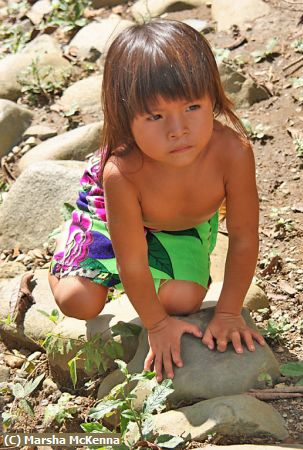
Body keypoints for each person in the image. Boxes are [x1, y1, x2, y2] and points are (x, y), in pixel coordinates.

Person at [48, 19, 265, 382]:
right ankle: (65, 246)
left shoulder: (233, 152)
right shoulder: (121, 172)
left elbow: (244, 236)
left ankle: (151, 279)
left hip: (183, 223)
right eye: (155, 116)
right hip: (110, 214)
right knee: (79, 302)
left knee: (185, 301)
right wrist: (156, 324)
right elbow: (130, 259)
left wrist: (228, 312)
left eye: (193, 107)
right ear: (125, 117)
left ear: (212, 96)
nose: (177, 129)